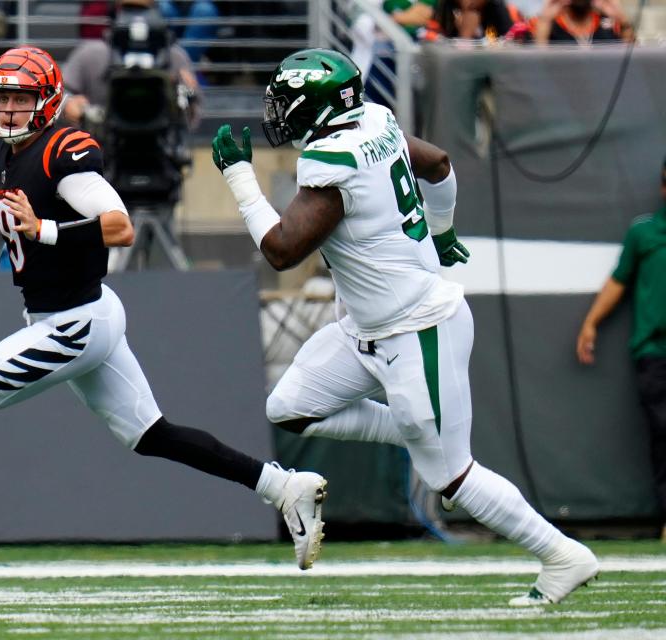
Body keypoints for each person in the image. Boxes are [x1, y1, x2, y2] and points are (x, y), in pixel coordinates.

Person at [0, 45, 328, 583]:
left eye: (19, 98)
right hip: (72, 316)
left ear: (46, 103)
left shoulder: (63, 152)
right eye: (1, 96)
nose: (7, 108)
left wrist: (42, 227)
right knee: (153, 434)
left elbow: (120, 226)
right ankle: (284, 487)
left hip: (73, 321)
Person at [210, 47, 599, 606]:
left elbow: (281, 250)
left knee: (453, 479)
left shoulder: (332, 158)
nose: (280, 114)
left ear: (315, 107)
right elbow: (438, 162)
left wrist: (241, 180)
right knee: (290, 407)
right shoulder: (375, 118)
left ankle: (562, 555)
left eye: (287, 103)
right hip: (366, 329)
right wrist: (441, 228)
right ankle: (421, 429)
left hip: (418, 328)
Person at [577, 158, 666, 542]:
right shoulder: (644, 233)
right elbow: (619, 281)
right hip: (655, 354)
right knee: (663, 435)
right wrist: (591, 323)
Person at [62, 0, 201, 130]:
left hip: (161, 147)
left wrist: (190, 98)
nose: (135, 17)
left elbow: (192, 119)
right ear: (114, 12)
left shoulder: (173, 57)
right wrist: (68, 104)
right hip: (102, 147)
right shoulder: (90, 54)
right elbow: (58, 93)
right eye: (128, 10)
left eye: (143, 10)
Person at [530, 0, 634, 45]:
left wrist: (623, 21)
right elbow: (538, 66)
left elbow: (632, 62)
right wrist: (545, 21)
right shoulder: (547, 24)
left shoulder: (610, 22)